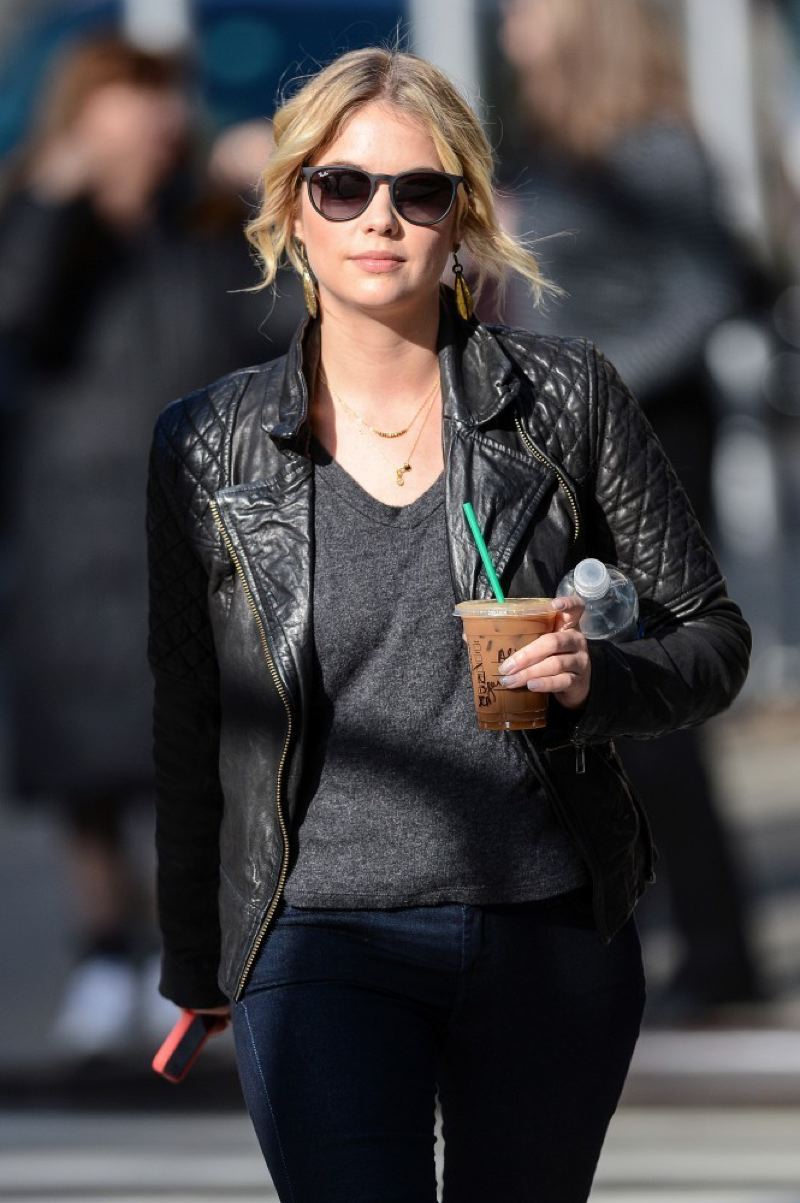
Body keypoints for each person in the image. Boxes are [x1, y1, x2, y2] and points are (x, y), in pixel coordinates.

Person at [146, 47, 750, 1202]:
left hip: (544, 930)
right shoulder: (205, 443)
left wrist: (598, 679)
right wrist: (194, 958)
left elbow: (709, 638)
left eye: (419, 191)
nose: (380, 219)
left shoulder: (565, 399)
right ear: (292, 210)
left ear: (463, 217)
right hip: (315, 936)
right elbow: (188, 713)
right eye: (342, 187)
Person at [0, 34, 302, 1054]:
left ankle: (192, 955)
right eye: (129, 100)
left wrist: (273, 197)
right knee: (83, 768)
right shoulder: (41, 221)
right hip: (71, 529)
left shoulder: (205, 224)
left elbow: (284, 328)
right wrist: (57, 197)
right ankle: (101, 953)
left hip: (193, 519)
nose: (154, 122)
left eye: (164, 101)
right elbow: (15, 311)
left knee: (203, 755)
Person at [497, 0, 768, 1022]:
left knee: (647, 690)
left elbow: (710, 293)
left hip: (652, 443)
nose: (508, 25)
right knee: (584, 692)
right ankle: (638, 932)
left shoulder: (650, 147)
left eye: (527, 8)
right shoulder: (552, 142)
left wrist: (591, 386)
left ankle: (717, 949)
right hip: (578, 447)